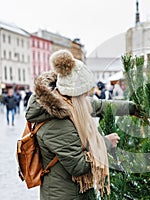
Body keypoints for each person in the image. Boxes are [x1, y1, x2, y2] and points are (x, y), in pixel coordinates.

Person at [25, 50, 139, 199]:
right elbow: (78, 166)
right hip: (63, 195)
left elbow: (100, 105)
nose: (88, 94)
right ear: (76, 91)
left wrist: (133, 108)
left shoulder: (69, 102)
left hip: (77, 191)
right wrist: (105, 143)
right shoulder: (57, 123)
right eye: (85, 91)